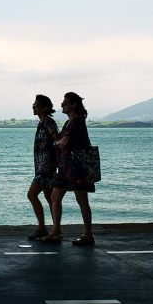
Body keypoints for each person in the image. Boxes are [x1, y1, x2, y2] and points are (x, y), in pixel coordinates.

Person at [39, 92, 96, 245]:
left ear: (73, 105)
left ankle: (88, 235)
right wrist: (58, 143)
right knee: (55, 197)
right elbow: (62, 140)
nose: (62, 105)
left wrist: (55, 144)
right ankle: (56, 231)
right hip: (65, 167)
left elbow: (63, 141)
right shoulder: (68, 122)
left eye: (65, 103)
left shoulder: (77, 121)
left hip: (77, 168)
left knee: (81, 200)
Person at [27, 95, 59, 240]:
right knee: (49, 197)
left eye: (37, 105)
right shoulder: (42, 123)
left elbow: (57, 140)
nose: (34, 107)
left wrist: (57, 161)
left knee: (32, 194)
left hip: (47, 167)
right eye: (34, 105)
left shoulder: (48, 122)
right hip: (42, 165)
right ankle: (55, 230)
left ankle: (42, 228)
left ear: (45, 108)